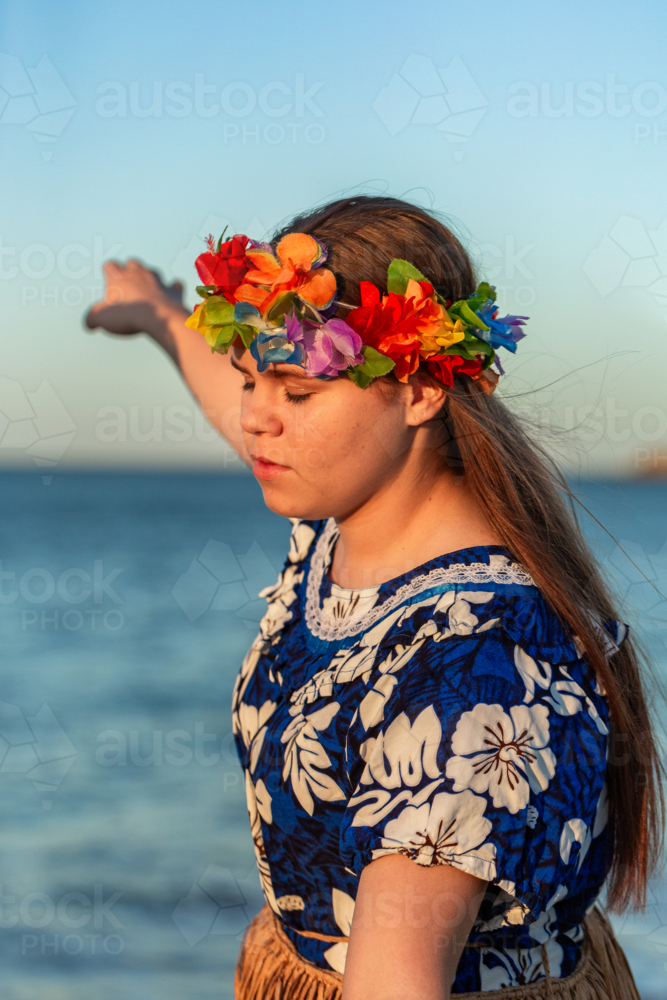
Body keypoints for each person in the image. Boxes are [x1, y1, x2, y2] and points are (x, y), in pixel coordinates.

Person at [86, 196, 660, 999]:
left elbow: (396, 979)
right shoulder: (345, 522)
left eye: (295, 392)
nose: (256, 418)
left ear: (420, 389)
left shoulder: (474, 670)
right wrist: (159, 314)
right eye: (252, 379)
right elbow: (260, 403)